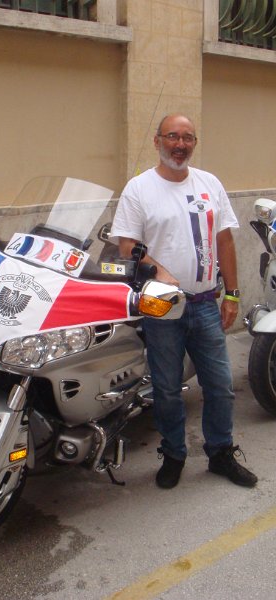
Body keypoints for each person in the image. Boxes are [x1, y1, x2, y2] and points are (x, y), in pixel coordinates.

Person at [111, 113, 257, 489]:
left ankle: (220, 453)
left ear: (194, 143)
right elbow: (127, 246)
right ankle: (174, 453)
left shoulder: (210, 184)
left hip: (206, 302)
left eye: (188, 137)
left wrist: (232, 294)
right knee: (166, 389)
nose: (180, 144)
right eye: (172, 136)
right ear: (157, 141)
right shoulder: (139, 188)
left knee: (220, 385)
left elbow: (224, 241)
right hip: (162, 306)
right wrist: (158, 269)